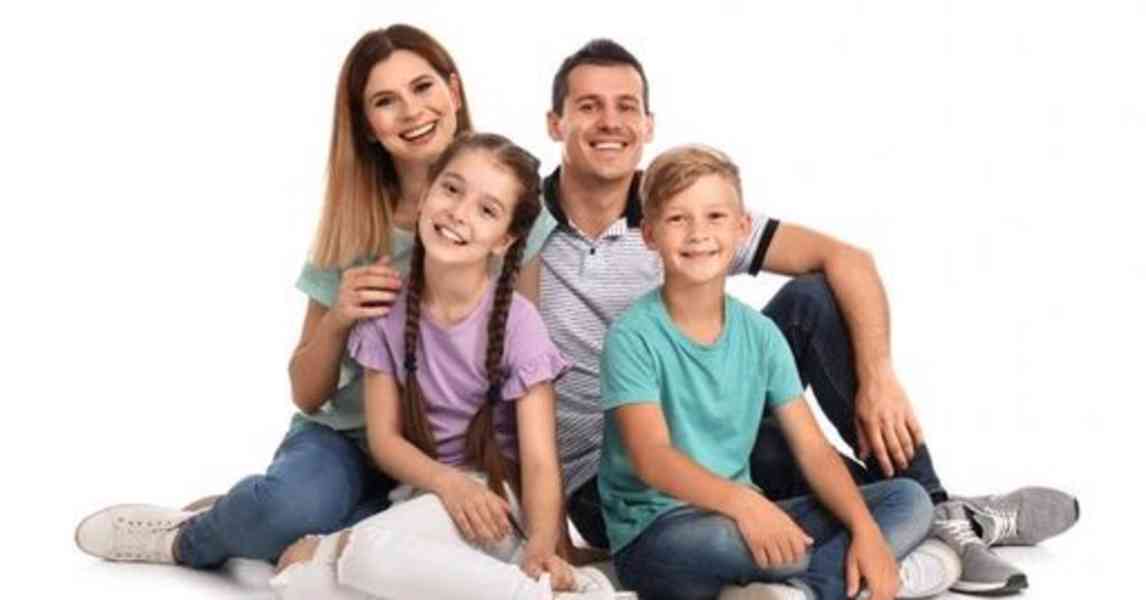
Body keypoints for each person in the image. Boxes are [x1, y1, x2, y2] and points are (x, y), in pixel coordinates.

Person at [525, 38, 1078, 596]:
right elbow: (510, 379)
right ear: (555, 122)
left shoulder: (687, 206)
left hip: (721, 437)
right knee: (780, 493)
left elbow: (848, 261)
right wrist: (547, 533)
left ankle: (925, 516)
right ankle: (900, 553)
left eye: (626, 106)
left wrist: (879, 379)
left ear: (647, 124)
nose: (610, 122)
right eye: (589, 106)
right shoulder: (521, 234)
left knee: (814, 304)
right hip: (619, 481)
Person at [73, 24, 553, 571]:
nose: (412, 112)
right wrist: (340, 317)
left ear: (454, 90)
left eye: (423, 87)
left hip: (452, 452)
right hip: (351, 440)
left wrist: (544, 532)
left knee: (373, 549)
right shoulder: (356, 226)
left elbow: (521, 363)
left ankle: (259, 515)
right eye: (385, 101)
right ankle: (192, 536)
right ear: (367, 126)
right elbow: (307, 392)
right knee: (291, 511)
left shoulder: (511, 206)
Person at [599, 144, 963, 600]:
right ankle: (867, 577)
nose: (698, 234)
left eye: (715, 216)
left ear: (741, 227)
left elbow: (813, 450)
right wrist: (746, 505)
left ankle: (798, 592)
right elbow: (652, 457)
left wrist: (865, 529)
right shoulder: (632, 336)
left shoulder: (761, 335)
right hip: (660, 533)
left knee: (908, 500)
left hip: (746, 514)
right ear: (649, 235)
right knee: (773, 548)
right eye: (677, 219)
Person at [269, 132, 622, 600]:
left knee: (341, 562)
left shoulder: (519, 324)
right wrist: (448, 484)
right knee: (301, 579)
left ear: (505, 240)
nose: (458, 213)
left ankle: (544, 591)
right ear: (426, 195)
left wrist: (541, 546)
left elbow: (539, 460)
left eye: (487, 210)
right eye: (451, 189)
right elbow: (385, 440)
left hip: (498, 502)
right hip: (428, 494)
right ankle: (560, 590)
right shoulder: (386, 313)